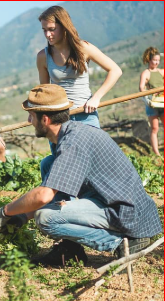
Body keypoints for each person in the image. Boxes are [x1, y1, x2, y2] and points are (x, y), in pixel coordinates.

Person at [0, 84, 162, 267]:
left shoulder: (73, 142)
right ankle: (71, 250)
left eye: (31, 115)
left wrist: (6, 211)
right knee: (48, 164)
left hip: (127, 213)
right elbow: (54, 192)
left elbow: (44, 196)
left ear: (45, 120)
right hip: (111, 201)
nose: (29, 120)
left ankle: (122, 243)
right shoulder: (71, 133)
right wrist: (23, 217)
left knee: (45, 218)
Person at [36, 5, 122, 188]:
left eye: (52, 29)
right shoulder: (43, 57)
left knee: (95, 163)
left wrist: (96, 98)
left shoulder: (84, 48)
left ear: (64, 26)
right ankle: (62, 207)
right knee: (62, 166)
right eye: (44, 30)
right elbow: (44, 92)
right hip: (59, 119)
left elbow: (115, 70)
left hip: (86, 114)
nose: (47, 35)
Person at [139, 47, 164, 156]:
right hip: (152, 104)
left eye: (158, 60)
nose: (156, 62)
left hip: (162, 102)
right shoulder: (146, 73)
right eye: (154, 60)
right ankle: (156, 153)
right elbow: (141, 87)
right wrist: (148, 96)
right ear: (149, 60)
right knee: (155, 128)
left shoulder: (161, 71)